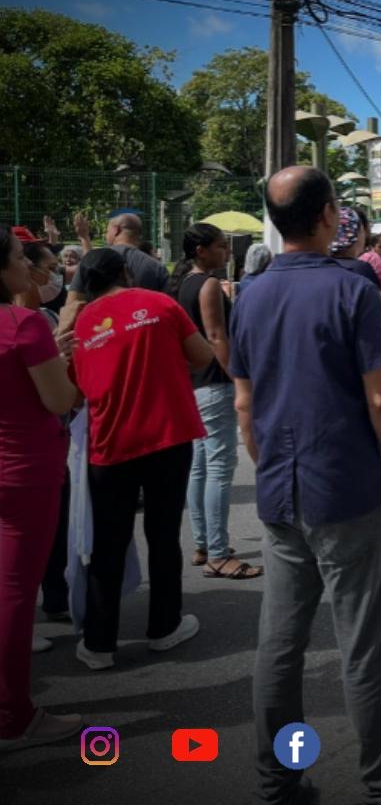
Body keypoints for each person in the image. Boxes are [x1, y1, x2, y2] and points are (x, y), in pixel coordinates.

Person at [228, 167, 381, 805]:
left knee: (279, 645)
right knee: (364, 649)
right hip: (347, 490)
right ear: (330, 214)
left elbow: (244, 405)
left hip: (280, 492)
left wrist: (270, 462)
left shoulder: (248, 295)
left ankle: (277, 782)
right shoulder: (353, 289)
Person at [71, 248, 213, 671]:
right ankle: (165, 627)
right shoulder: (160, 304)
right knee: (164, 535)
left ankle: (99, 644)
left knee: (107, 544)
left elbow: (76, 388)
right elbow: (203, 357)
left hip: (109, 445)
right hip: (167, 439)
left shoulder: (81, 323)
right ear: (126, 272)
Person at [0, 225, 82, 750]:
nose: (26, 266)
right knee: (13, 592)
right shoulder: (21, 324)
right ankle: (14, 716)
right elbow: (60, 400)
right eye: (16, 256)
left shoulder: (26, 327)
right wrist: (63, 362)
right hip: (24, 474)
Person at [169, 224, 260, 580]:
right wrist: (240, 381)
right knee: (219, 468)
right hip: (212, 384)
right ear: (201, 251)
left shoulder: (182, 285)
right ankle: (218, 553)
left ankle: (204, 544)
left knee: (201, 466)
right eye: (222, 246)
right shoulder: (206, 285)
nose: (227, 252)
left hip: (192, 385)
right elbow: (217, 336)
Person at [59, 211, 168, 332]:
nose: (106, 235)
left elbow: (73, 305)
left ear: (116, 230)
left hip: (99, 335)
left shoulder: (93, 260)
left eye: (107, 231)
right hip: (145, 335)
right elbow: (167, 309)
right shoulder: (157, 267)